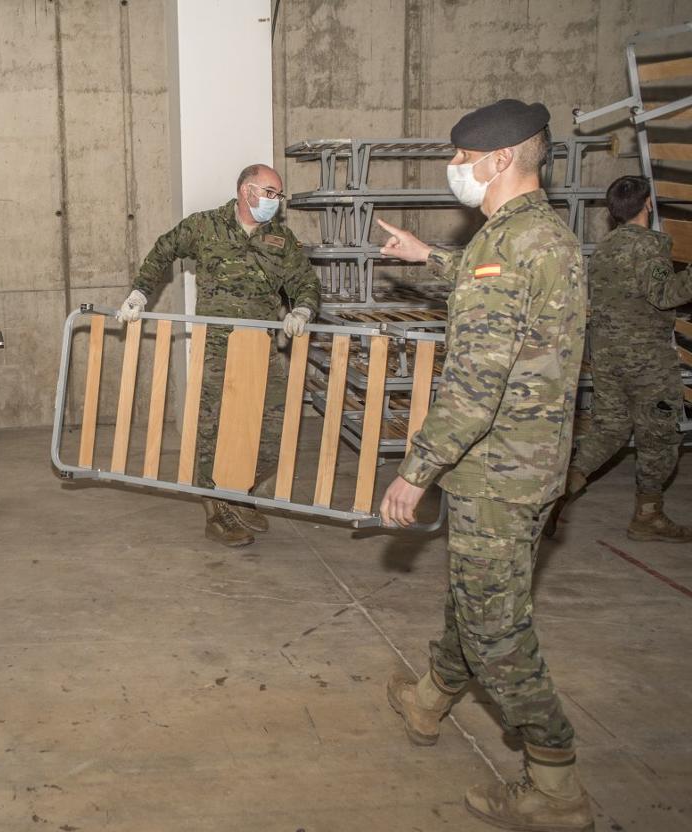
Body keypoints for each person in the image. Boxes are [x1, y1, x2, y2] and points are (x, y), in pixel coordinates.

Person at [375, 101, 594, 832]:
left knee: (498, 632)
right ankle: (430, 698)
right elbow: (485, 281)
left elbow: (475, 384)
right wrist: (424, 257)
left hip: (497, 472)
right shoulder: (537, 237)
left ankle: (555, 784)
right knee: (473, 598)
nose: (455, 169)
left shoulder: (510, 249)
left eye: (462, 157)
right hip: (525, 470)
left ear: (500, 160)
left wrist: (417, 469)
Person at [117, 163, 321, 547]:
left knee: (272, 431)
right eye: (272, 193)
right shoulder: (205, 227)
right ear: (248, 191)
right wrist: (140, 293)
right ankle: (216, 511)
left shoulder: (282, 239)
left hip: (262, 345)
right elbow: (163, 250)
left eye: (278, 195)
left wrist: (303, 309)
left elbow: (305, 282)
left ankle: (239, 492)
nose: (277, 202)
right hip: (218, 347)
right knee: (213, 430)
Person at [547, 175, 692, 542]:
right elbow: (665, 294)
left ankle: (563, 487)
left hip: (608, 355)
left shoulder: (605, 248)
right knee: (659, 434)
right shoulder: (650, 248)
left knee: (610, 427)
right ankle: (648, 515)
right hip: (647, 359)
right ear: (648, 205)